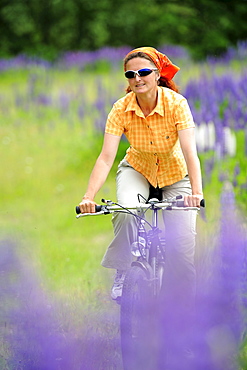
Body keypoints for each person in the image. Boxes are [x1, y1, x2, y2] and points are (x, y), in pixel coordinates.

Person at [79, 47, 203, 306]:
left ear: (157, 74)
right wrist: (88, 197)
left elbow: (190, 152)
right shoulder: (121, 109)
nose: (137, 78)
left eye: (144, 72)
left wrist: (196, 194)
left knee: (181, 252)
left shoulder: (176, 104)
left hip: (175, 174)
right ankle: (124, 270)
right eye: (130, 74)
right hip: (137, 169)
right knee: (126, 212)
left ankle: (184, 318)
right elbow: (105, 157)